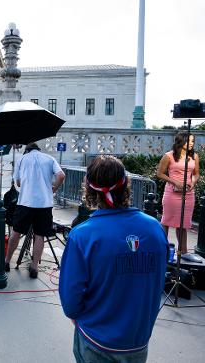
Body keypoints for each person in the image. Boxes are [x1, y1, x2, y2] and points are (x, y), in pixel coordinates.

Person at [59, 155, 168, 363]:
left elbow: (71, 298)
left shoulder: (82, 235)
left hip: (97, 339)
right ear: (127, 185)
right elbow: (158, 281)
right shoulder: (154, 228)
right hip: (138, 340)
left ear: (89, 189)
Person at [4, 142, 65, 278]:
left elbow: (18, 183)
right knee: (40, 236)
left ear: (27, 151)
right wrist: (53, 188)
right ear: (39, 149)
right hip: (44, 203)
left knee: (16, 232)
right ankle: (34, 267)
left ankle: (7, 262)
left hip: (26, 202)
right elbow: (61, 176)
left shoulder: (22, 159)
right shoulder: (50, 159)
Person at [156, 132, 200, 255]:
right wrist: (174, 182)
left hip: (188, 194)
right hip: (172, 193)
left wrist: (193, 182)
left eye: (193, 141)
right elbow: (160, 173)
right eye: (190, 141)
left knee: (183, 224)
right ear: (182, 141)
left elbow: (196, 173)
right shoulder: (168, 156)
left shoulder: (194, 156)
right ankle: (162, 250)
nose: (192, 143)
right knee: (166, 221)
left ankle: (183, 252)